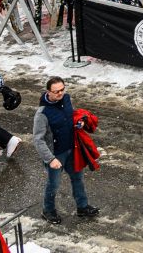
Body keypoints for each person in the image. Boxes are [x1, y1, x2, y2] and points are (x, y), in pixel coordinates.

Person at [33, 76, 97, 224]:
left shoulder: (66, 99)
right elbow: (38, 139)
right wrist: (50, 159)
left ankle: (82, 207)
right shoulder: (42, 113)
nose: (60, 93)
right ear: (48, 92)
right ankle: (48, 211)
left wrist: (79, 122)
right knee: (53, 184)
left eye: (62, 90)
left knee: (78, 179)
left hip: (72, 149)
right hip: (55, 155)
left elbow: (70, 115)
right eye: (56, 91)